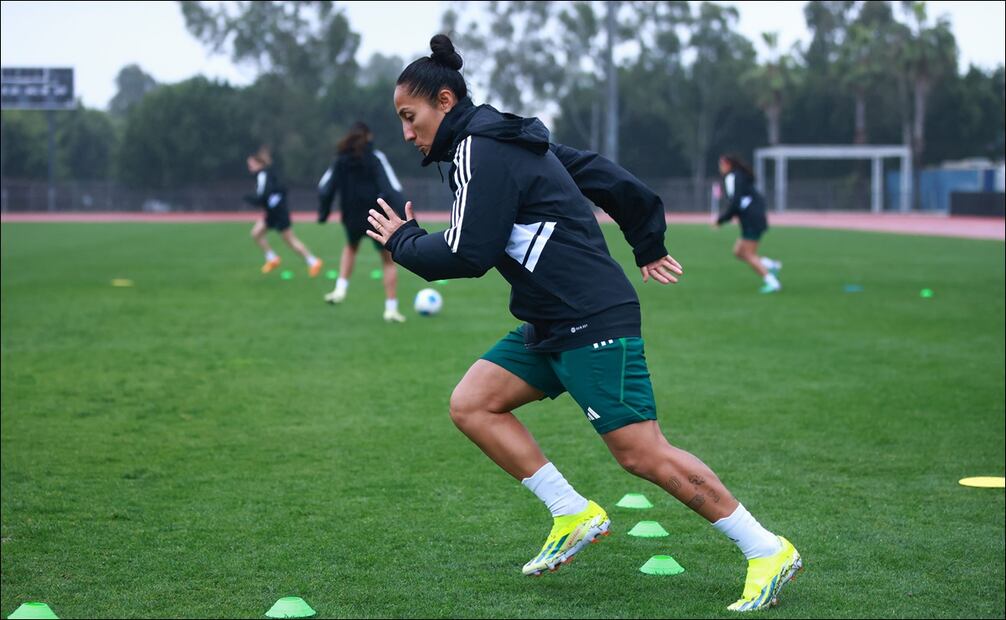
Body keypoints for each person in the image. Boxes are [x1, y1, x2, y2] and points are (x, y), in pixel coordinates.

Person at [366, 35, 803, 612]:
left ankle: (766, 548)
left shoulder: (481, 148)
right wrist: (646, 240)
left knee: (640, 454)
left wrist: (404, 241)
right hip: (549, 319)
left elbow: (469, 255)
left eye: (409, 116)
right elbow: (597, 172)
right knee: (473, 403)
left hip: (590, 316)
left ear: (444, 101)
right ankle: (572, 512)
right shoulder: (501, 142)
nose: (405, 132)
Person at [317, 122, 407, 323]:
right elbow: (392, 187)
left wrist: (323, 213)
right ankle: (391, 309)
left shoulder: (340, 159)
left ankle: (340, 289)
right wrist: (404, 217)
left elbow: (325, 188)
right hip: (375, 216)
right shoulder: (375, 157)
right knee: (388, 261)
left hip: (350, 216)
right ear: (369, 135)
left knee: (350, 247)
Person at [244, 146, 323, 277]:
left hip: (279, 214)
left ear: (259, 163)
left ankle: (313, 261)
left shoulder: (264, 174)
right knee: (256, 233)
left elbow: (264, 195)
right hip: (272, 214)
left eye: (251, 163)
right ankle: (272, 258)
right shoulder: (266, 174)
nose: (249, 166)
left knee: (290, 240)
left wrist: (251, 199)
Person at [715, 154, 782, 293]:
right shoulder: (739, 176)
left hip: (752, 219)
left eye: (722, 165)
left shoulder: (733, 177)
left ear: (728, 165)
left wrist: (722, 219)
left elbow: (735, 202)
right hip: (752, 218)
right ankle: (772, 265)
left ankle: (772, 282)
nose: (720, 168)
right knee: (738, 252)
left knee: (748, 254)